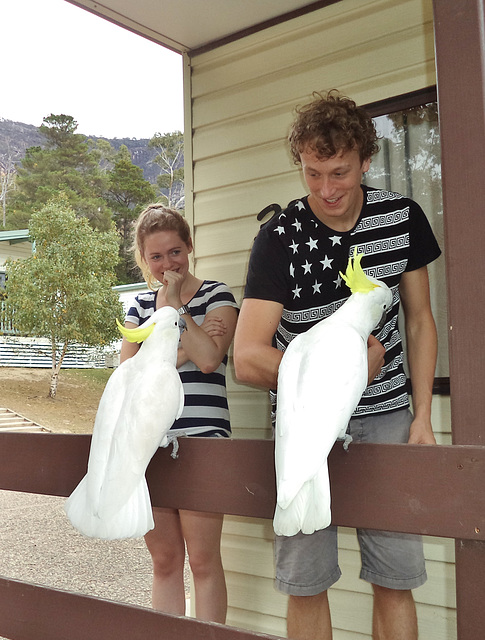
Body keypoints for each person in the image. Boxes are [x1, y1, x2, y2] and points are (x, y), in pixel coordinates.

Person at [234, 90, 441, 640]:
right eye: (312, 173)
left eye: (340, 173)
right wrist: (341, 375)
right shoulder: (278, 239)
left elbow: (419, 322)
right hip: (303, 428)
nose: (326, 190)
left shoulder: (403, 218)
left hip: (388, 418)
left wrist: (422, 419)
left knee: (396, 577)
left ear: (366, 160)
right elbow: (248, 358)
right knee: (306, 581)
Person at [120, 204, 238, 624]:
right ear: (144, 258)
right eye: (156, 256)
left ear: (189, 247)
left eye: (174, 252)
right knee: (165, 560)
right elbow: (130, 377)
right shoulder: (136, 307)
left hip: (203, 438)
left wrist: (175, 309)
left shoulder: (217, 295)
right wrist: (188, 346)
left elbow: (209, 360)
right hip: (150, 441)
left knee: (203, 562)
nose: (166, 263)